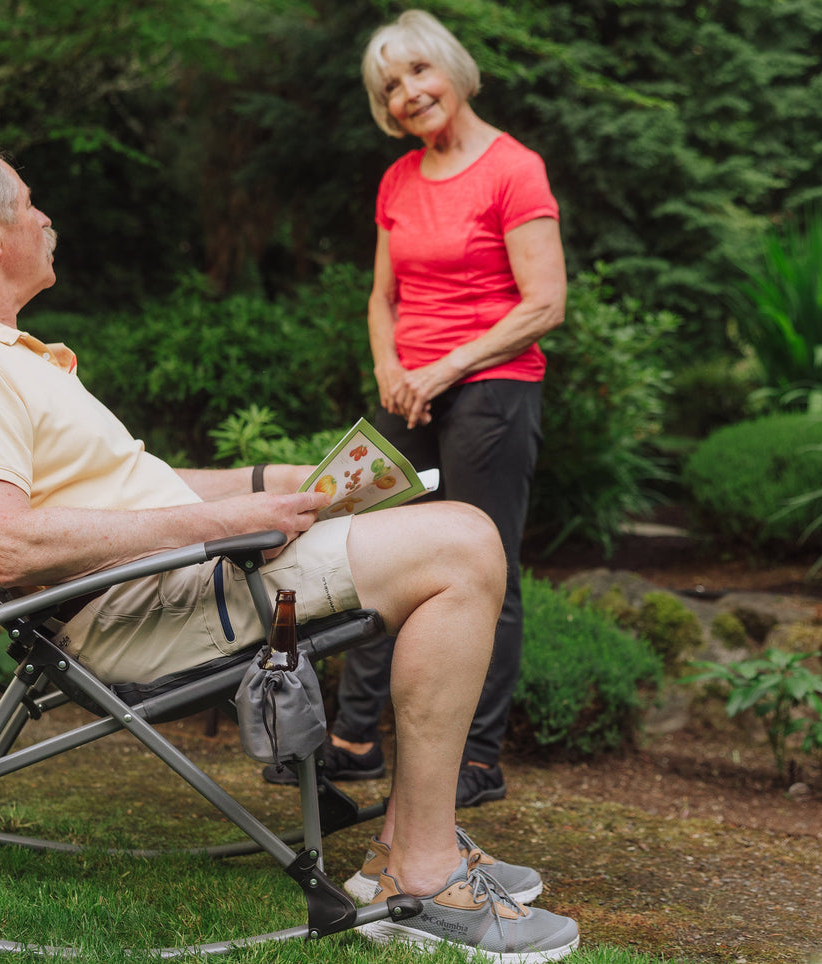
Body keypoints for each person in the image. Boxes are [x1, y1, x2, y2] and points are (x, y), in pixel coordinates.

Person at [0, 141, 578, 961]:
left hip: (174, 577)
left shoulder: (4, 349)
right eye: (32, 205)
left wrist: (272, 480)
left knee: (454, 531)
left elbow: (132, 488)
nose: (48, 219)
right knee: (464, 543)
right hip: (135, 608)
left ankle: (405, 846)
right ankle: (419, 874)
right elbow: (4, 545)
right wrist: (223, 525)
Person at [275, 9, 567, 820]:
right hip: (409, 384)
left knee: (482, 563)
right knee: (365, 547)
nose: (407, 95)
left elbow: (544, 302)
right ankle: (355, 739)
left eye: (417, 74)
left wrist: (440, 368)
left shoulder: (516, 168)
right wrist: (390, 367)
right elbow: (382, 297)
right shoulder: (398, 179)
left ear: (453, 69)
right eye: (389, 87)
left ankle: (476, 756)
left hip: (492, 387)